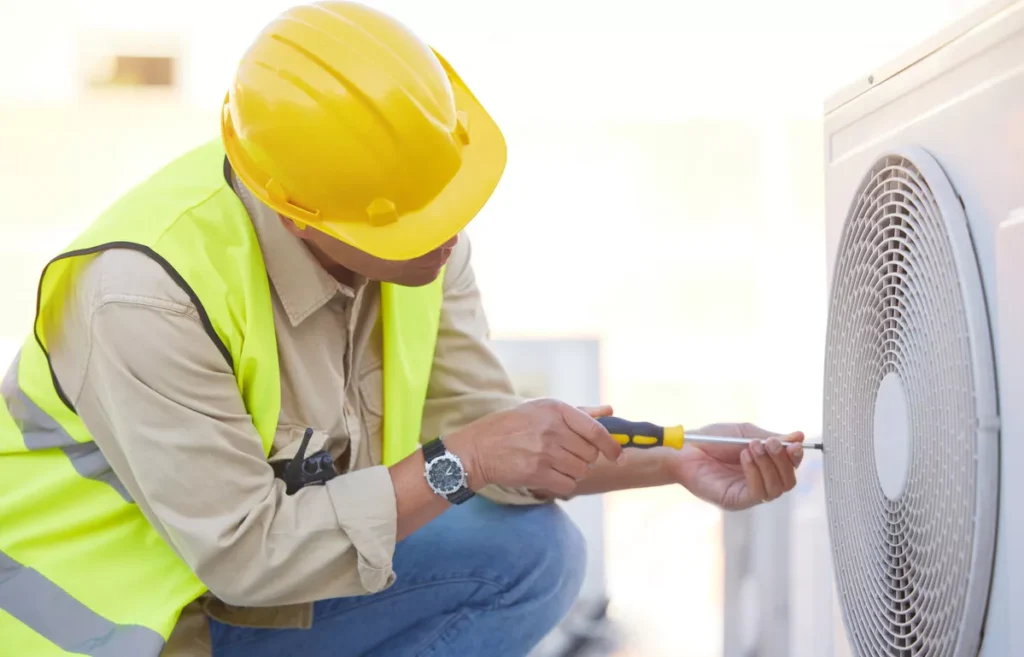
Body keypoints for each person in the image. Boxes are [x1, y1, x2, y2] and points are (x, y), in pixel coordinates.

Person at [0, 2, 805, 656]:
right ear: (301, 211)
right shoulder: (142, 295)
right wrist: (466, 457)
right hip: (118, 635)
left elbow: (506, 458)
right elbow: (253, 556)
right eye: (416, 217)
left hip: (245, 610)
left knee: (532, 553)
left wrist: (680, 456)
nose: (450, 228)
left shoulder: (412, 240)